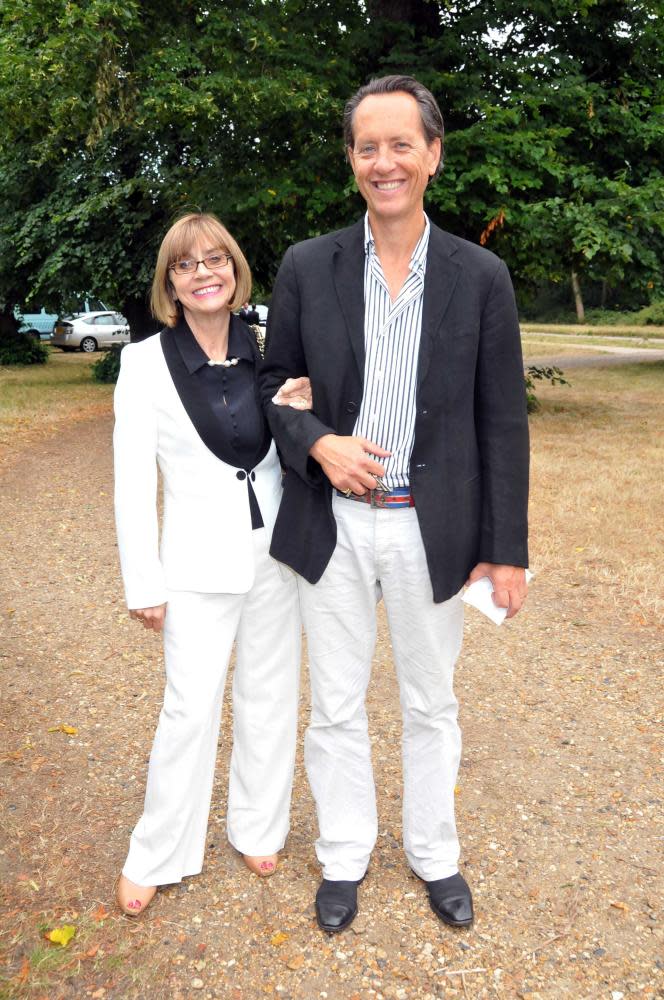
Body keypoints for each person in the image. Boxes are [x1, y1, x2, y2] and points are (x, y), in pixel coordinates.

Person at [261, 75, 530, 933]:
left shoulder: (480, 275)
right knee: (335, 702)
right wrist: (318, 443)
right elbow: (273, 385)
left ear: (433, 154)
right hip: (330, 525)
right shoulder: (307, 265)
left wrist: (507, 549)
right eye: (368, 147)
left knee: (430, 701)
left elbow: (502, 420)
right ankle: (344, 856)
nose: (385, 162)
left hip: (432, 525)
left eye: (400, 145)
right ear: (352, 162)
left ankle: (434, 855)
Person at [113, 212, 308, 916]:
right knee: (188, 712)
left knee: (269, 699)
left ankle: (258, 825)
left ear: (235, 271)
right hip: (193, 567)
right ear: (171, 281)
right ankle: (158, 851)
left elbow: (291, 441)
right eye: (188, 264)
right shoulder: (141, 364)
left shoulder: (268, 350)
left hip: (273, 555)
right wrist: (144, 581)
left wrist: (303, 406)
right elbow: (132, 483)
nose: (204, 273)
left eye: (217, 259)